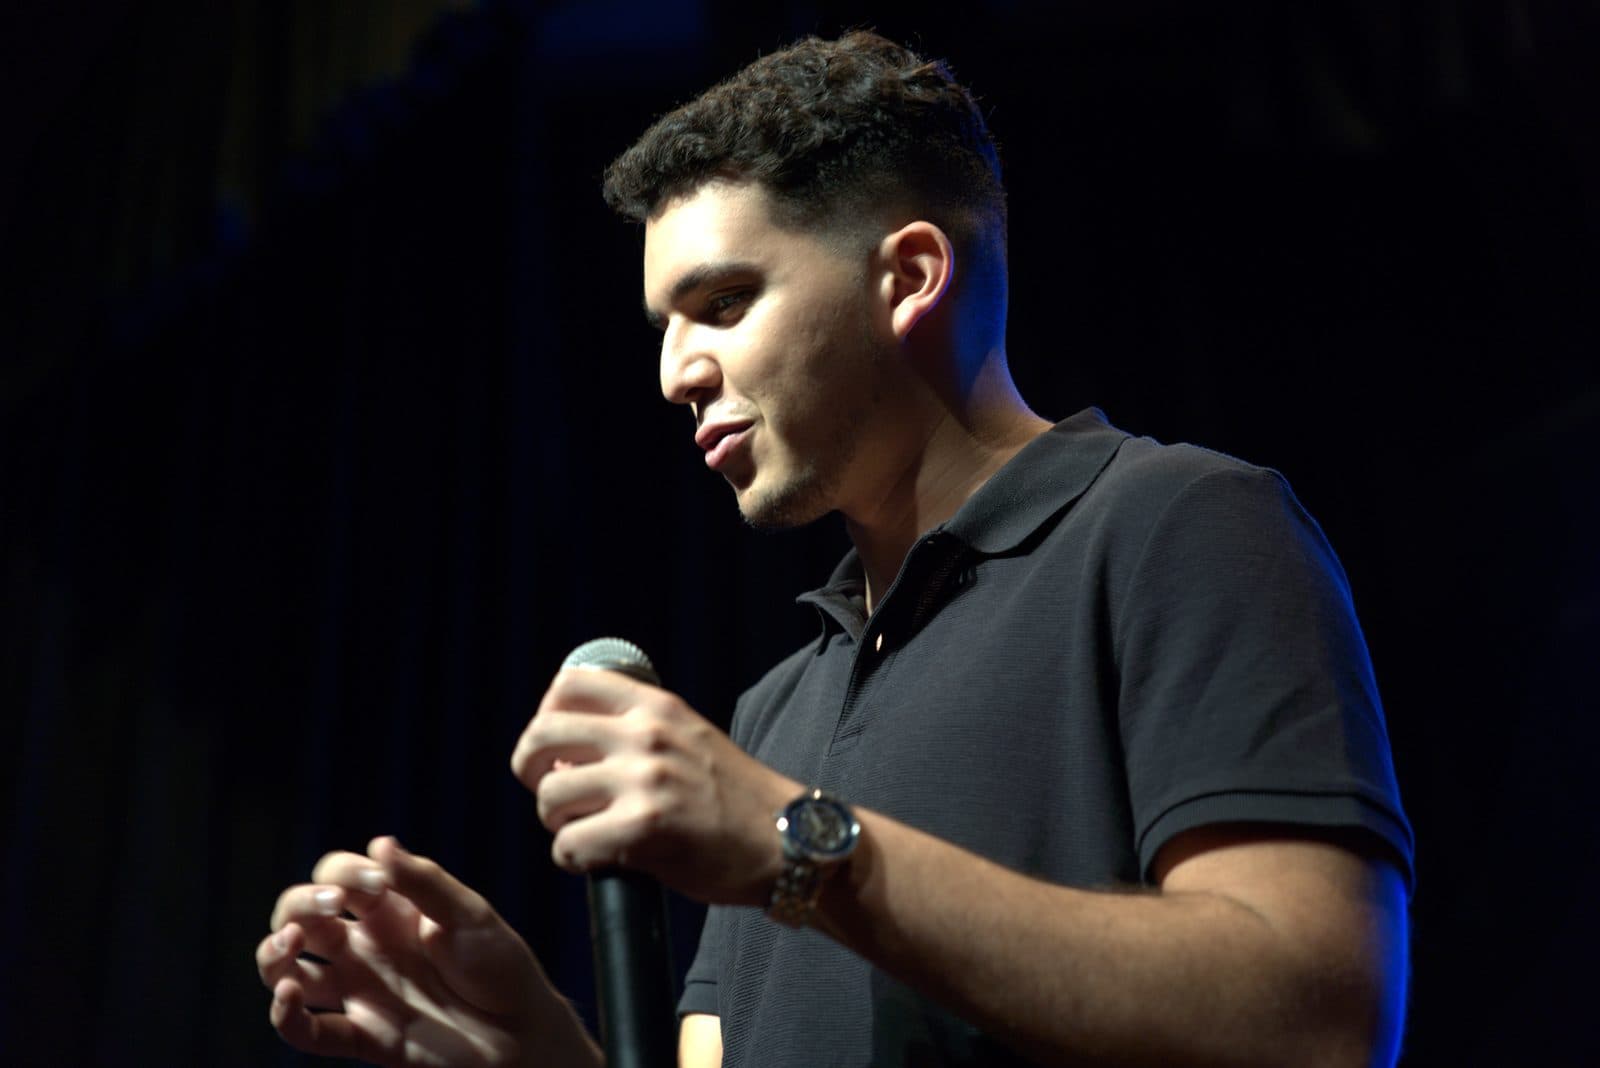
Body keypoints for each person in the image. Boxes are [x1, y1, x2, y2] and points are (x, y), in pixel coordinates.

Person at [257, 31, 1412, 1067]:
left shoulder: (1178, 527)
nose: (673, 373)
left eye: (720, 304)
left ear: (907, 276)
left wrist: (790, 840)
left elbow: (1313, 1018)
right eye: (663, 327)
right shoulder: (776, 710)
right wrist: (530, 1047)